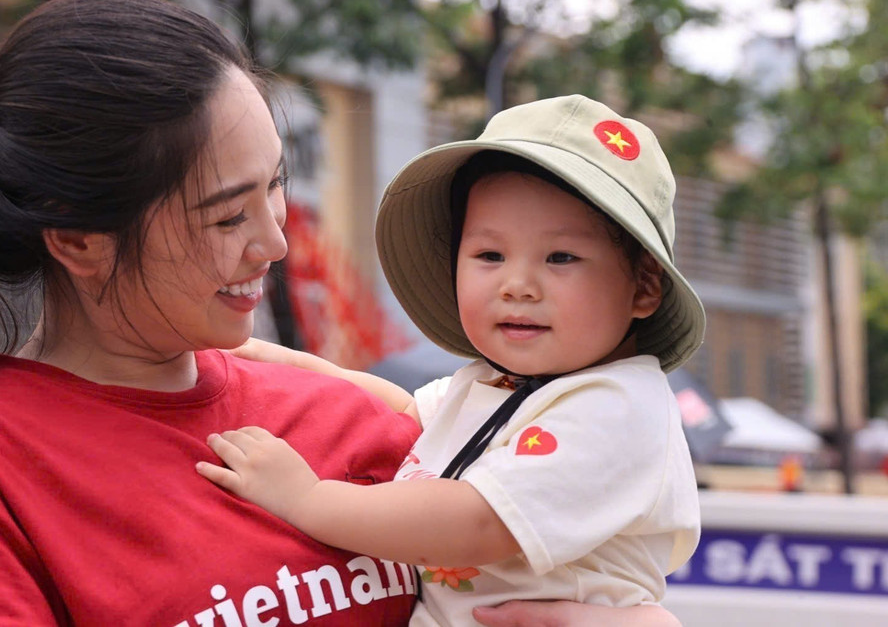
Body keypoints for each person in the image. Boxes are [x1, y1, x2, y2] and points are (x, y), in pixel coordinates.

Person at [0, 0, 681, 626]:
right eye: (227, 217)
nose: (276, 243)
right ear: (79, 240)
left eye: (275, 186)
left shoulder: (368, 425)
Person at [200, 96, 705, 625]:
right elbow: (402, 411)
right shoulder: (502, 384)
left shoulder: (616, 405)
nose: (517, 285)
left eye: (561, 258)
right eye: (490, 255)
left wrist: (306, 500)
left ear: (644, 286)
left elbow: (478, 522)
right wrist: (262, 357)